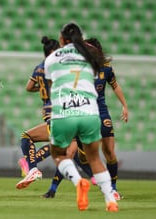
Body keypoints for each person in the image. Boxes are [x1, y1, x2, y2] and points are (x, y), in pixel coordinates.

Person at [44, 22, 118, 212]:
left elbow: (53, 85)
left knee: (59, 154)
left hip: (64, 113)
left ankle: (79, 183)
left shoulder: (52, 58)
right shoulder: (90, 57)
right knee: (94, 158)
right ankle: (111, 200)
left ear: (61, 39)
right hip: (90, 113)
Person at [15, 36, 94, 196]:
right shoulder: (61, 66)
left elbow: (29, 87)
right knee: (66, 151)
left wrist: (43, 89)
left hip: (53, 115)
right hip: (69, 112)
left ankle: (32, 167)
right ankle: (92, 182)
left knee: (48, 144)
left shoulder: (39, 68)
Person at [83, 37, 129, 200]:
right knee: (82, 152)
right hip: (84, 113)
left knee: (109, 151)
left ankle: (113, 188)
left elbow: (115, 86)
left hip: (101, 113)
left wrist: (124, 105)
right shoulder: (80, 68)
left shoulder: (106, 69)